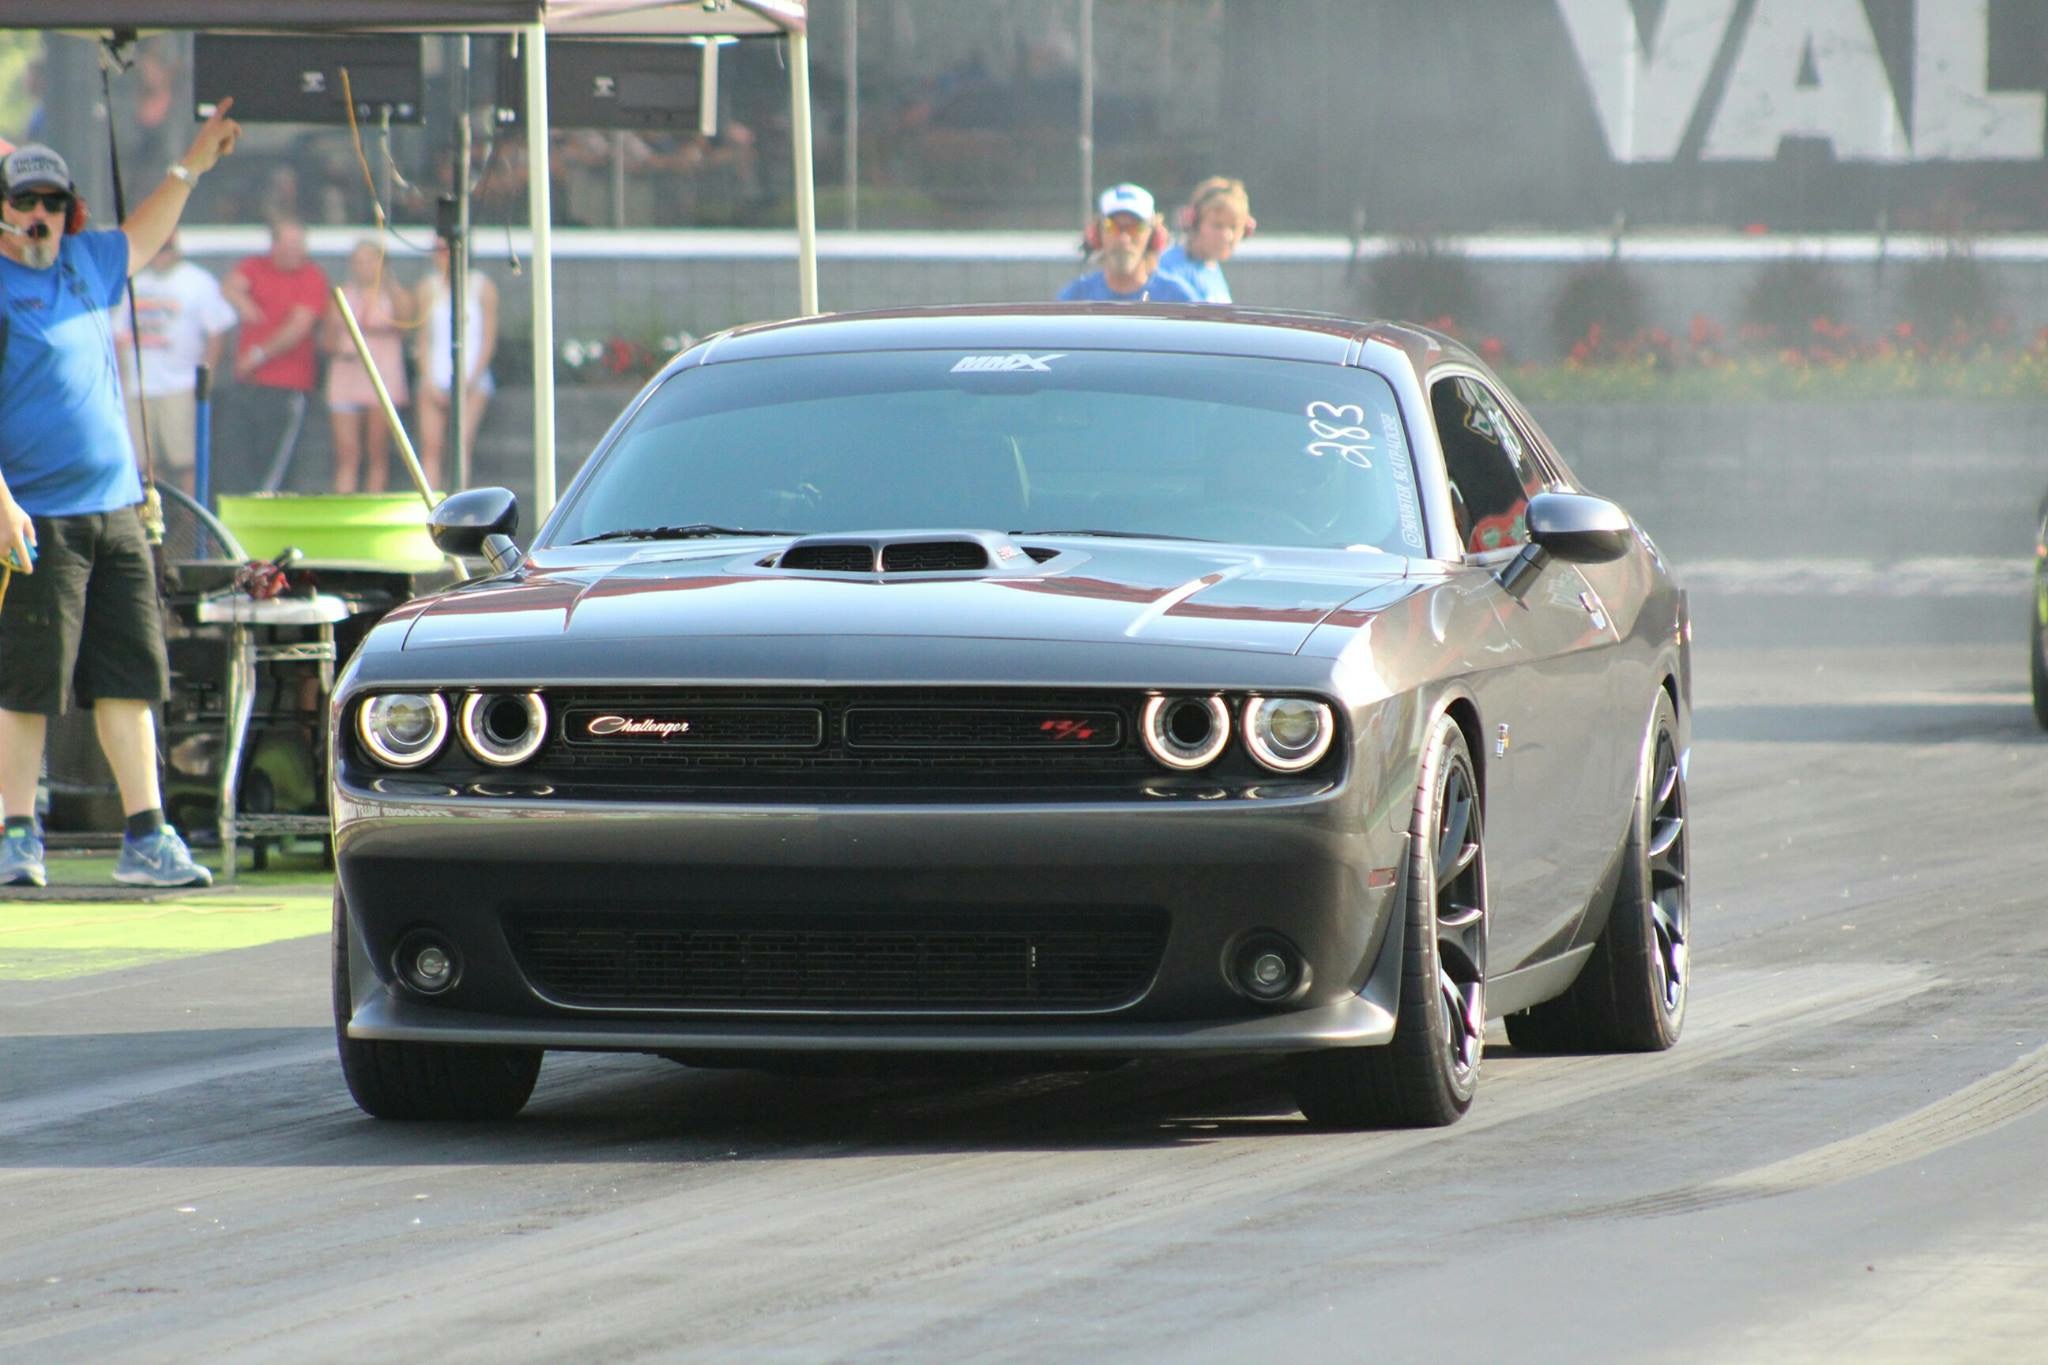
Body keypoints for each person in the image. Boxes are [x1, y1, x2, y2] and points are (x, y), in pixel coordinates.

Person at [0, 104, 244, 890]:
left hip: (115, 512)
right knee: (27, 684)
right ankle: (13, 833)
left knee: (131, 677)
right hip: (36, 516)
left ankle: (147, 835)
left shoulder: (85, 262)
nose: (37, 216)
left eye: (49, 203)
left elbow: (145, 233)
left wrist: (192, 165)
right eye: (22, 202)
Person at [114, 232, 239, 496]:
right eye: (158, 250)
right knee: (145, 463)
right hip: (138, 386)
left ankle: (190, 526)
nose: (162, 256)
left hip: (180, 384)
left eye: (168, 249)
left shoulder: (197, 281)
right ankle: (157, 522)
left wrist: (207, 377)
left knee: (185, 461)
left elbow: (217, 330)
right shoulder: (132, 281)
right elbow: (116, 334)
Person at [220, 217, 329, 493]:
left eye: (299, 243)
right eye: (289, 243)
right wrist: (243, 303)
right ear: (274, 245)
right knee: (241, 458)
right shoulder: (255, 266)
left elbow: (299, 326)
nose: (295, 249)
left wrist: (258, 355)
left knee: (277, 462)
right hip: (247, 385)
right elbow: (230, 285)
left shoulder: (312, 276)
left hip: (287, 386)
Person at [322, 240, 412, 493]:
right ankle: (343, 503)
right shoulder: (342, 294)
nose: (365, 268)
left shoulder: (393, 295)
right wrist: (343, 345)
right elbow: (327, 340)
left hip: (382, 375)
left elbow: (406, 321)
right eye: (360, 262)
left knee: (377, 451)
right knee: (347, 453)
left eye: (372, 261)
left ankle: (372, 501)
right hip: (347, 375)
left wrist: (388, 282)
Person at [414, 238, 499, 490]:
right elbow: (423, 339)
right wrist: (428, 380)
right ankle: (429, 505)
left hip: (471, 375)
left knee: (461, 443)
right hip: (434, 373)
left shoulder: (482, 287)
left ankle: (458, 501)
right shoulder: (427, 288)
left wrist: (469, 380)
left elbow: (488, 338)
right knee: (431, 445)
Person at [1057, 183, 1198, 304]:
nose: (1124, 239)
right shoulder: (1075, 298)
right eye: (1112, 226)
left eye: (1135, 228)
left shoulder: (1178, 299)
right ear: (1097, 233)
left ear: (1154, 236)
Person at [1157, 176, 1254, 304]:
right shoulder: (1169, 270)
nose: (1227, 236)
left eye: (1234, 227)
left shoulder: (1211, 267)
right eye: (1217, 226)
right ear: (1194, 222)